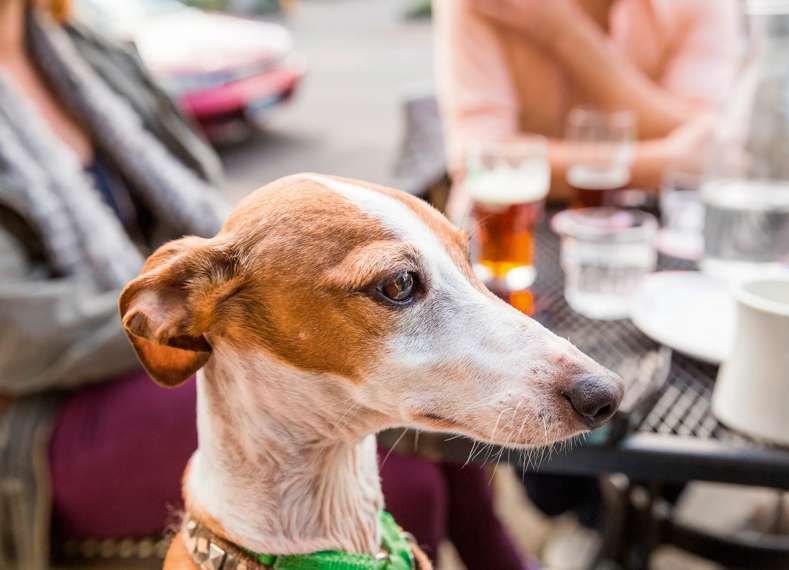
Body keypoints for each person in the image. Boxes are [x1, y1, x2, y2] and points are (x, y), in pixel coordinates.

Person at [0, 1, 527, 568]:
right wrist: (193, 303)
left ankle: (493, 551)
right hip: (46, 403)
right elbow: (15, 332)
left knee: (409, 371)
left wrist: (246, 280)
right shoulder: (187, 299)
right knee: (406, 472)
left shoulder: (84, 49)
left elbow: (200, 189)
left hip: (183, 321)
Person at [434, 0, 741, 536]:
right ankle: (587, 513)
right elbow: (480, 158)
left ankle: (623, 513)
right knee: (550, 460)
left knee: (688, 388)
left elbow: (710, 150)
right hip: (519, 241)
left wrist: (564, 35)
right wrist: (661, 154)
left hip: (653, 228)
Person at [435, 0, 742, 217]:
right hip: (509, 232)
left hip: (651, 220)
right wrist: (661, 164)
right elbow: (479, 160)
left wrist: (566, 35)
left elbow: (708, 143)